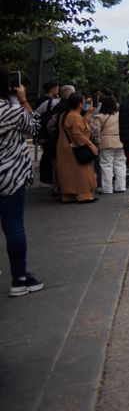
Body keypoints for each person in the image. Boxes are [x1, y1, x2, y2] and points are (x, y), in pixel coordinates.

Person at [1, 80, 44, 296]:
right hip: (9, 176)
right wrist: (23, 99)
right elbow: (35, 126)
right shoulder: (11, 110)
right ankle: (19, 278)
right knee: (14, 226)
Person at [54, 94, 98, 202]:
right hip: (75, 148)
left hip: (64, 147)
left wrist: (88, 113)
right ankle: (83, 195)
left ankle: (69, 195)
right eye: (83, 102)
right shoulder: (75, 116)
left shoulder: (65, 114)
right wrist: (90, 144)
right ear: (79, 104)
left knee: (68, 173)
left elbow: (78, 126)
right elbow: (78, 134)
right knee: (81, 173)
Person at [94, 94, 125, 195]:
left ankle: (108, 189)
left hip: (106, 142)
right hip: (120, 141)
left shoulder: (99, 117)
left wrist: (97, 143)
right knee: (120, 164)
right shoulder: (120, 115)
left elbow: (96, 132)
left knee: (106, 165)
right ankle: (121, 186)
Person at [32, 82, 61, 187]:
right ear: (53, 89)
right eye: (57, 88)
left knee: (47, 154)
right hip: (49, 133)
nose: (58, 91)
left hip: (42, 133)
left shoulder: (40, 100)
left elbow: (35, 115)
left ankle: (46, 179)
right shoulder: (49, 102)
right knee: (49, 156)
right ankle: (49, 179)